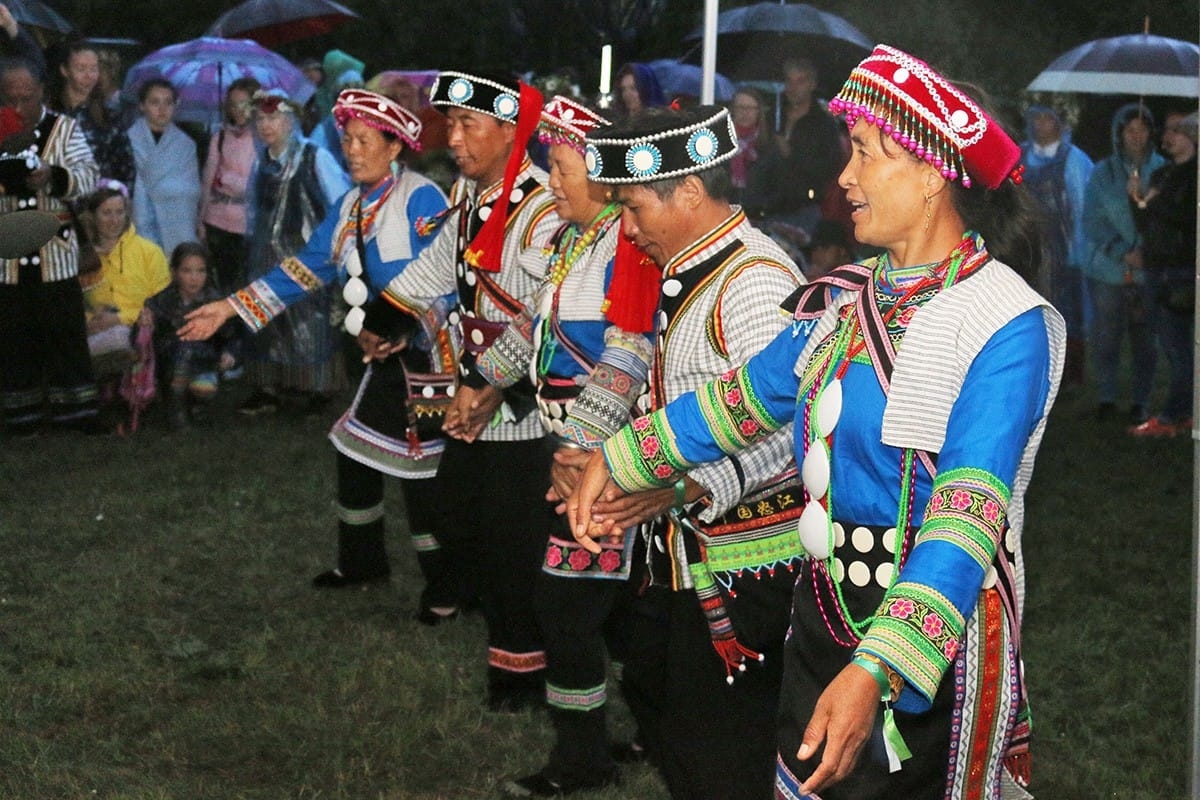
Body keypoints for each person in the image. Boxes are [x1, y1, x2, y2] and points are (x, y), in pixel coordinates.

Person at [569, 45, 1065, 800]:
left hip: (928, 641)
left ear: (932, 174)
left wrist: (878, 667)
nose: (845, 178)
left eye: (865, 154)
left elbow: (965, 515)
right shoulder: (845, 300)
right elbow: (747, 398)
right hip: (826, 614)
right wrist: (623, 456)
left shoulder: (1001, 322)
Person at [560, 105, 806, 800]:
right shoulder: (689, 268)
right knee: (663, 707)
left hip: (750, 569)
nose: (627, 228)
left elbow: (788, 426)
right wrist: (593, 453)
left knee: (720, 747)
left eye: (634, 208)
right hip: (683, 553)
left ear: (690, 193)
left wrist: (687, 488)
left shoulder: (752, 279)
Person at [178, 88, 458, 619]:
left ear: (394, 148)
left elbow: (447, 280)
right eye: (346, 140)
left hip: (430, 357)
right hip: (384, 354)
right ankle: (363, 565)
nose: (350, 151)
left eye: (363, 141)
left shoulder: (422, 198)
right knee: (357, 453)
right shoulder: (351, 206)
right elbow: (305, 268)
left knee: (425, 475)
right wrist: (229, 309)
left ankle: (446, 589)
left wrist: (404, 325)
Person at [448, 95, 655, 797]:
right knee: (613, 607)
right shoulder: (572, 243)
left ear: (602, 173)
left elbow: (627, 356)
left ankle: (583, 759)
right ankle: (646, 732)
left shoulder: (628, 249)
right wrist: (480, 385)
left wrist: (581, 449)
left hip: (598, 458)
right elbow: (530, 332)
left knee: (566, 607)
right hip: (568, 450)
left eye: (562, 167)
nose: (552, 181)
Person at [358, 70, 562, 710]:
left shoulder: (541, 208)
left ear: (510, 130)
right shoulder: (473, 194)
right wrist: (385, 321)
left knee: (512, 540)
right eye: (449, 123)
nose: (453, 136)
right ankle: (510, 622)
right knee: (456, 518)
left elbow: (545, 313)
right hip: (476, 392)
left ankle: (523, 673)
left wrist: (491, 385)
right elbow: (436, 267)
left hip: (525, 405)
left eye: (469, 123)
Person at [0, 57, 101, 436]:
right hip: (7, 262)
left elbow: (89, 176)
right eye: (10, 99)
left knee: (65, 339)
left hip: (55, 259)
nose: (19, 107)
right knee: (13, 343)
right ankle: (21, 422)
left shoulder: (66, 129)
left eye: (27, 97)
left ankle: (76, 418)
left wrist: (52, 177)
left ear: (42, 90)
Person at [236, 89, 349, 416]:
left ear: (290, 120)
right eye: (260, 119)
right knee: (267, 319)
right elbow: (256, 211)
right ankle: (269, 387)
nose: (266, 125)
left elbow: (339, 203)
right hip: (266, 255)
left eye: (273, 117)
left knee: (309, 322)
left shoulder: (315, 157)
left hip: (306, 254)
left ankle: (317, 388)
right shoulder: (263, 164)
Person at [1080, 103, 1165, 424]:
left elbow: (1167, 220)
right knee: (1107, 336)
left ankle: (1141, 400)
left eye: (1143, 130)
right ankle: (1107, 396)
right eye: (1131, 130)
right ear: (1120, 133)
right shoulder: (1103, 173)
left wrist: (1147, 250)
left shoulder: (1162, 171)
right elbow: (1092, 220)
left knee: (1145, 339)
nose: (1137, 137)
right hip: (1108, 271)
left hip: (1148, 271)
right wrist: (1121, 250)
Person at [1128, 110, 1197, 438]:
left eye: (1178, 130)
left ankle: (1172, 416)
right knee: (1172, 344)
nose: (1168, 136)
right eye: (1168, 130)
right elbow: (1145, 223)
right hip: (1157, 268)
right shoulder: (1162, 175)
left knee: (1177, 346)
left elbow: (1187, 220)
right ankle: (1183, 412)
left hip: (1180, 270)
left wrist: (1152, 204)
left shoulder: (1194, 175)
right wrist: (1135, 198)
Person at [1019, 102, 1093, 386]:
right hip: (1028, 250)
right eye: (1035, 118)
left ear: (1059, 123)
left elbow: (1083, 207)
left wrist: (1079, 252)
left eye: (1047, 119)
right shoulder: (1020, 156)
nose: (1040, 124)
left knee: (1068, 313)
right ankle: (1034, 372)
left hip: (1067, 251)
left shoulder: (1074, 159)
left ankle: (1071, 377)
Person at [138, 241, 238, 429]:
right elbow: (143, 340)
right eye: (187, 271)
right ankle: (176, 409)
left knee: (204, 386)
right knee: (183, 352)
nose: (194, 278)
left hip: (205, 362)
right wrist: (144, 325)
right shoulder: (160, 301)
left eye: (200, 271)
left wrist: (229, 353)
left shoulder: (216, 302)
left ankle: (197, 406)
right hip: (170, 363)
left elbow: (232, 336)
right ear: (174, 272)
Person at [78, 181, 169, 358]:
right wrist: (90, 322)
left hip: (137, 332)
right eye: (106, 213)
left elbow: (163, 304)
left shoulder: (149, 252)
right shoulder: (80, 257)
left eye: (120, 212)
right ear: (92, 216)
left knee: (120, 339)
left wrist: (119, 319)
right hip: (90, 332)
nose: (114, 221)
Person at [197, 77, 260, 293]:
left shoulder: (264, 137)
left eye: (243, 103)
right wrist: (200, 220)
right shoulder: (221, 136)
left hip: (248, 224)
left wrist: (234, 182)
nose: (238, 110)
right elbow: (207, 180)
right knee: (221, 284)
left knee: (245, 284)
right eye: (233, 104)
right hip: (217, 220)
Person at [129, 78, 201, 258]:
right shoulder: (128, 139)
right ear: (142, 105)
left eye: (168, 103)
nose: (162, 109)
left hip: (177, 223)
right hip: (134, 217)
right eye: (155, 102)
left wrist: (161, 190)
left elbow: (190, 189)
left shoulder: (186, 145)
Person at [773, 57, 845, 235]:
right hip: (770, 207)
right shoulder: (774, 115)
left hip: (806, 208)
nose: (793, 87)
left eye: (800, 81)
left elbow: (830, 165)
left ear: (812, 84)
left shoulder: (823, 123)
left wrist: (792, 155)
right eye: (789, 80)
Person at [51, 40, 135, 189]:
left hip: (99, 204)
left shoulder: (109, 118)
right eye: (81, 68)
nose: (89, 76)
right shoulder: (50, 113)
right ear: (64, 70)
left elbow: (126, 169)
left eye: (94, 69)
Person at [728, 86, 784, 220]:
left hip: (757, 217)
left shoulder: (769, 145)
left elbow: (777, 185)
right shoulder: (722, 143)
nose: (745, 113)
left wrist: (763, 208)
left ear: (759, 112)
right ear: (733, 110)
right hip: (725, 215)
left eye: (750, 108)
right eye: (740, 107)